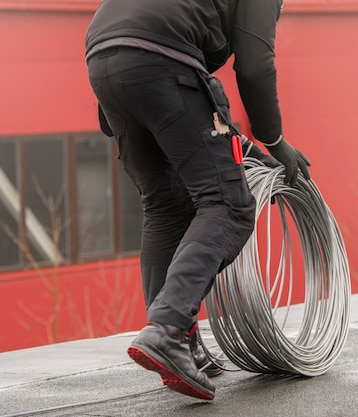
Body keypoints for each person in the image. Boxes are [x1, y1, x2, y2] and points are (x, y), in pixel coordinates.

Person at [85, 0, 311, 401]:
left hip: (105, 61)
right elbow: (255, 66)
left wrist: (239, 147)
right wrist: (274, 141)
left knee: (166, 206)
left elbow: (190, 103)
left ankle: (179, 341)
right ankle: (169, 329)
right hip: (159, 60)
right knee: (229, 204)